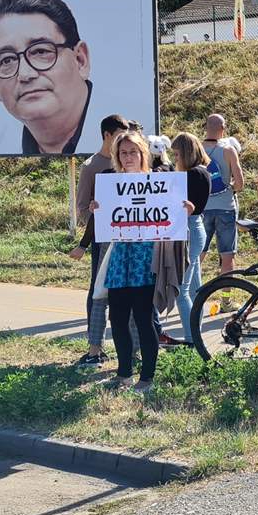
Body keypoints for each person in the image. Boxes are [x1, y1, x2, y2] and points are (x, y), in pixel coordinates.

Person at [86, 130, 194, 387]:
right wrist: (96, 209)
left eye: (133, 151)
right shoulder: (111, 182)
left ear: (143, 153)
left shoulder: (159, 181)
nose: (128, 157)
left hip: (145, 258)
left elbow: (174, 212)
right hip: (120, 256)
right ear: (117, 156)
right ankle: (123, 374)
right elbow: (105, 217)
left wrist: (185, 209)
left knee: (144, 318)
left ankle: (147, 377)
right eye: (123, 153)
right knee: (119, 318)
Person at [0, 0, 98, 155]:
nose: (25, 74)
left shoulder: (133, 137)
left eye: (40, 52)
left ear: (80, 60)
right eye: (7, 60)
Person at [69, 114, 130, 367]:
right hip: (103, 238)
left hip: (132, 240)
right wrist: (96, 210)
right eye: (118, 136)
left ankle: (132, 352)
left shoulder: (129, 162)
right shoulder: (92, 166)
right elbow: (82, 208)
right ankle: (95, 349)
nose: (124, 147)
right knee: (98, 293)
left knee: (131, 294)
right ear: (106, 135)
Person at [169, 133, 212, 341]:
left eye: (177, 154)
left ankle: (191, 339)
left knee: (181, 291)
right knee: (195, 289)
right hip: (197, 226)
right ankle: (196, 335)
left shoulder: (190, 175)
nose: (175, 159)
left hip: (188, 229)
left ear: (186, 153)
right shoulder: (203, 172)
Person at [200, 114, 244, 276]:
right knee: (227, 255)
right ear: (223, 129)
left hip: (202, 208)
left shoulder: (196, 149)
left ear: (205, 127)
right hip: (226, 207)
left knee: (198, 252)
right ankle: (226, 299)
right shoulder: (229, 150)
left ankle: (191, 293)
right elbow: (240, 183)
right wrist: (230, 188)